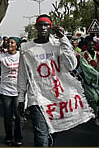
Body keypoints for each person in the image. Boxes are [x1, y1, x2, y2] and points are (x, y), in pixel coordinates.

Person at [17, 14, 94, 147]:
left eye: (46, 25)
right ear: (36, 27)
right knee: (41, 136)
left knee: (52, 133)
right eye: (40, 25)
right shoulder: (26, 48)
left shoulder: (58, 44)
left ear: (51, 27)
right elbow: (23, 75)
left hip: (58, 98)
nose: (43, 27)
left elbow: (71, 65)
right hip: (37, 98)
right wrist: (20, 99)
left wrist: (63, 39)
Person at [0, 37, 24, 146]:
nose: (9, 44)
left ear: (17, 45)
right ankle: (8, 137)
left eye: (12, 42)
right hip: (5, 90)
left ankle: (18, 138)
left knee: (18, 116)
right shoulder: (2, 56)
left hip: (18, 91)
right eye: (8, 42)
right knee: (7, 116)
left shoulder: (22, 56)